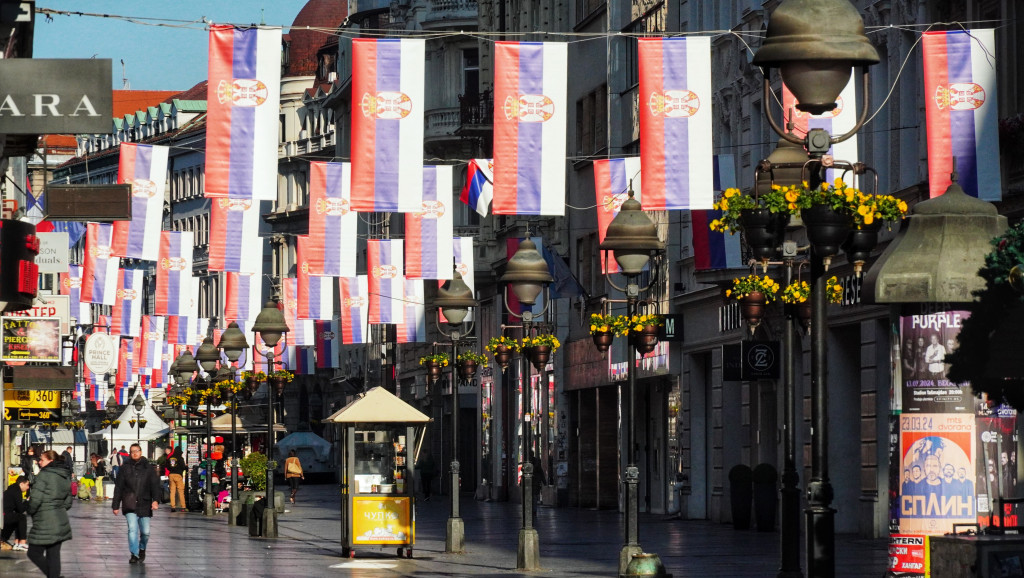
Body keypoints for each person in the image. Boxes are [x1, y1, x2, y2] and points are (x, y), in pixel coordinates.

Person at [112, 443, 161, 564]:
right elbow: (119, 487)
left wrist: (155, 500)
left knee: (146, 532)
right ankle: (134, 553)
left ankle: (142, 548)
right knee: (132, 529)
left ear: (141, 452)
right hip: (130, 502)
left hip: (145, 502)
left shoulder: (148, 468)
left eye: (137, 451)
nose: (135, 453)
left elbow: (155, 485)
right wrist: (115, 505)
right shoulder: (125, 468)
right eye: (132, 451)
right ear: (130, 453)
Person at [26, 450, 73, 578]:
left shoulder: (44, 475)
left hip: (45, 520)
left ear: (50, 461)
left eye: (42, 459)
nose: (39, 462)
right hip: (60, 520)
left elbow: (35, 499)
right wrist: (58, 508)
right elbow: (69, 501)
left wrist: (30, 509)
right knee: (54, 555)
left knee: (33, 552)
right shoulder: (64, 475)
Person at [2, 476, 30, 551]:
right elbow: (20, 509)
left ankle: (16, 543)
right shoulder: (17, 491)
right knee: (22, 517)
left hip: (3, 514)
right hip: (4, 515)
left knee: (17, 518)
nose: (28, 487)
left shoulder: (12, 489)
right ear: (21, 484)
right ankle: (22, 543)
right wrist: (27, 501)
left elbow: (17, 509)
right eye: (27, 485)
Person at [165, 446, 187, 512]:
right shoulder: (180, 458)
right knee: (180, 491)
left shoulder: (171, 458)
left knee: (172, 491)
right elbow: (183, 467)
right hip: (178, 475)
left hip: (171, 475)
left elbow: (167, 466)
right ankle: (183, 507)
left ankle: (173, 507)